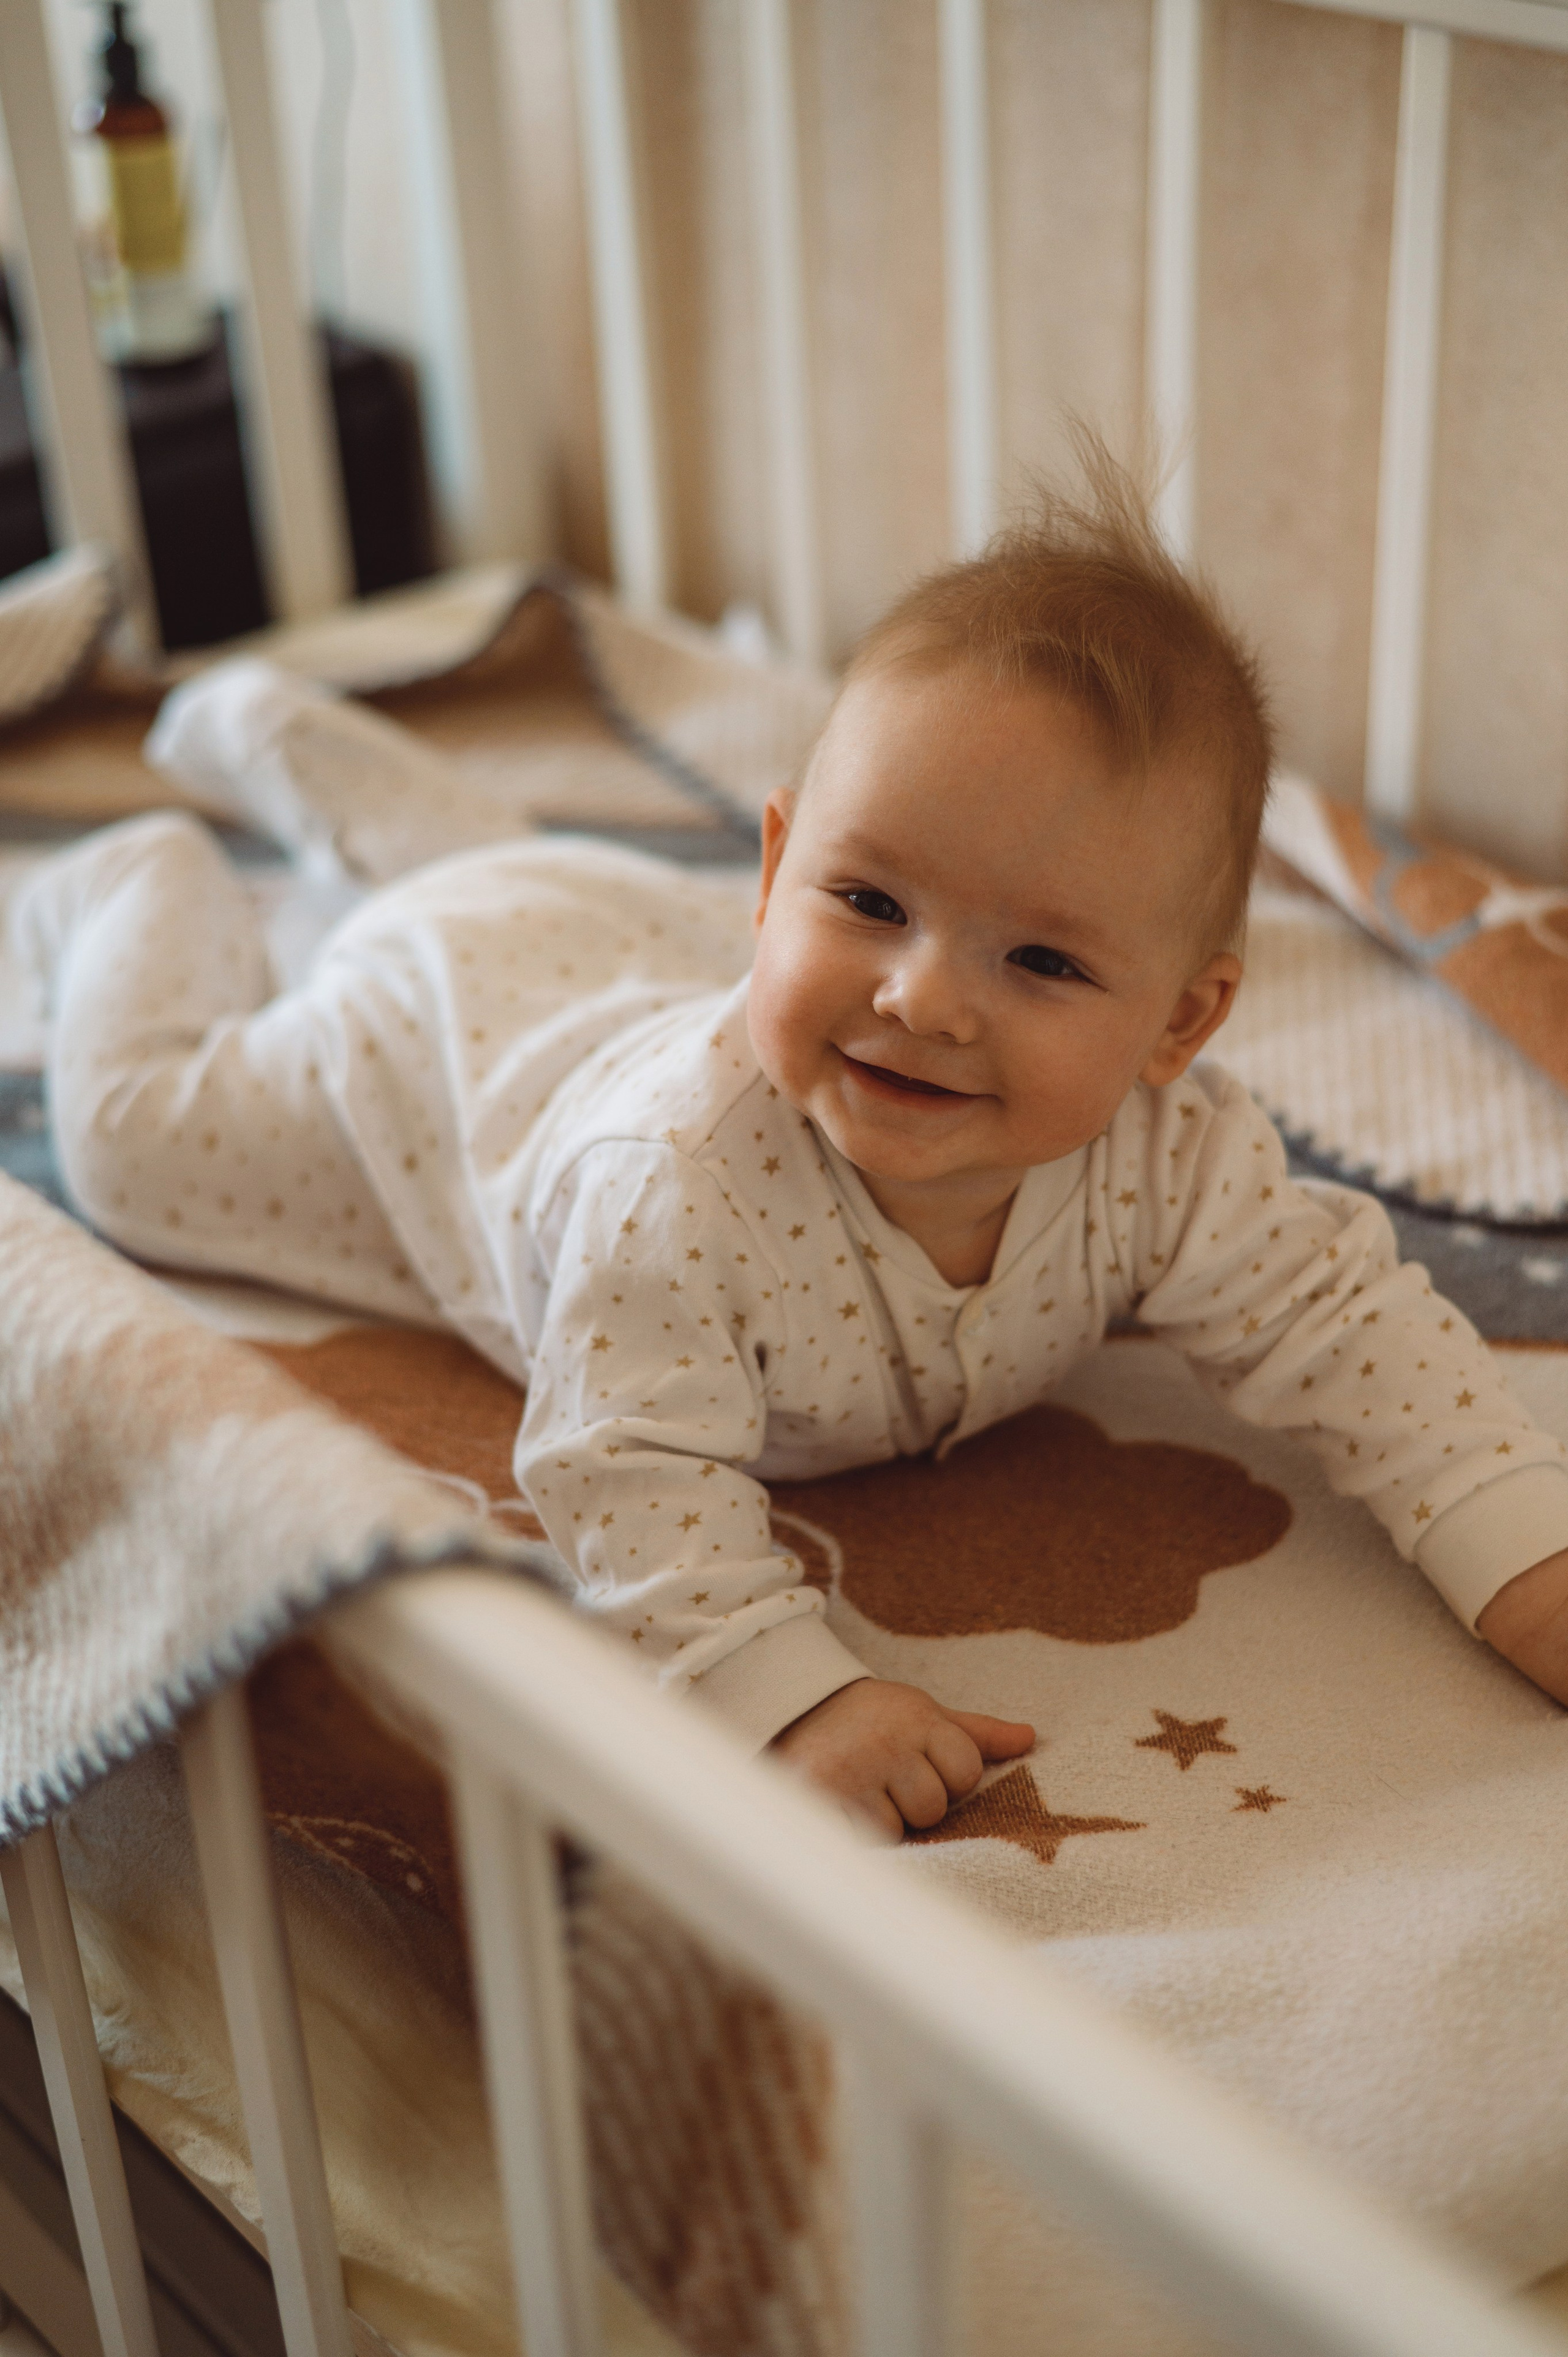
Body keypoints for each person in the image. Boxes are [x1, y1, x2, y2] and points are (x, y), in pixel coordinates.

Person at [17, 450, 1568, 1841]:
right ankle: (142, 874)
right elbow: (617, 1467)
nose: (919, 999)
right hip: (433, 1057)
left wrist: (1519, 1550)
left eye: (1041, 962)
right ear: (773, 875)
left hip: (597, 939)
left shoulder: (1172, 1156)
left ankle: (306, 755)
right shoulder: (671, 1194)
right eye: (868, 900)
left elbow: (1345, 1325)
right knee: (136, 1146)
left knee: (517, 893)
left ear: (1180, 1023)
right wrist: (790, 1697)